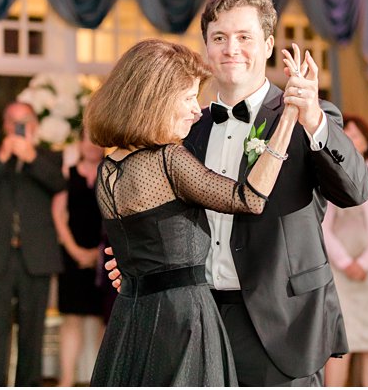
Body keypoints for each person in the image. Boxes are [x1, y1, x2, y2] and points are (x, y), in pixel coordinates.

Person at [104, 0, 368, 386]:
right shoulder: (183, 129)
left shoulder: (304, 117)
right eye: (220, 38)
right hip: (196, 318)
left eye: (244, 37)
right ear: (207, 49)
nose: (232, 48)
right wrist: (138, 264)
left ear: (266, 45)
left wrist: (314, 117)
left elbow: (356, 190)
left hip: (282, 321)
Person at [87, 39, 305, 386]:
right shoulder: (167, 159)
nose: (196, 110)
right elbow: (249, 198)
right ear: (154, 100)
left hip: (131, 319)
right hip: (182, 319)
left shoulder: (108, 168)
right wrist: (289, 118)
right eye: (188, 98)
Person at [0, 102, 67, 387]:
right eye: (12, 121)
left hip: (36, 257)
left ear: (35, 125)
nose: (18, 126)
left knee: (32, 333)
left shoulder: (50, 157)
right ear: (4, 126)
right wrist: (3, 157)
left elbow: (58, 184)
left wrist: (31, 156)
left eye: (24, 121)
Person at [320, 116, 368, 388]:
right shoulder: (328, 172)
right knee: (340, 348)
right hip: (339, 275)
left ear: (367, 140)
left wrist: (363, 263)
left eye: (358, 134)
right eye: (346, 134)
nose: (353, 139)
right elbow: (322, 226)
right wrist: (344, 262)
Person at [53, 136, 107, 389]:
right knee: (71, 318)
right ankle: (66, 381)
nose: (91, 146)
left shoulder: (111, 170)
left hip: (106, 256)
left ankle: (104, 380)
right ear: (79, 143)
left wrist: (98, 254)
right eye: (87, 140)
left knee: (104, 321)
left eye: (96, 141)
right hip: (71, 255)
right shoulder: (67, 173)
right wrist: (75, 251)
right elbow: (58, 215)